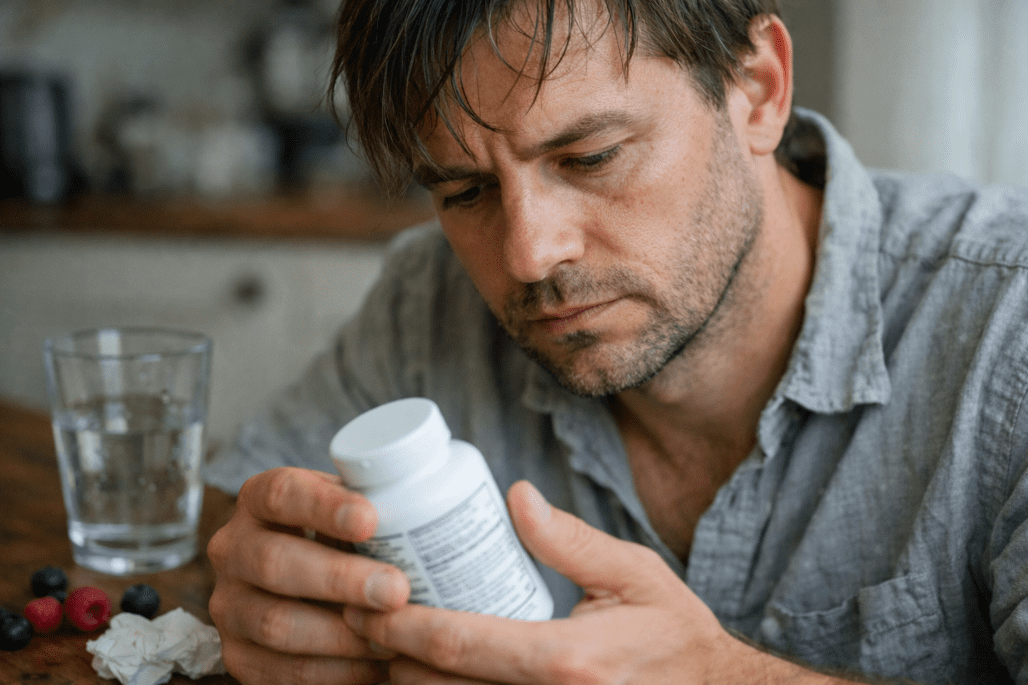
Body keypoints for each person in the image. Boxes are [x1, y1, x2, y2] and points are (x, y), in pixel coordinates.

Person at [203, 0, 1028, 682]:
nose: (528, 255)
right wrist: (267, 595)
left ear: (757, 90)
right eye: (465, 191)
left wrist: (720, 676)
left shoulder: (1008, 330)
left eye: (591, 156)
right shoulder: (429, 300)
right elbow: (237, 533)